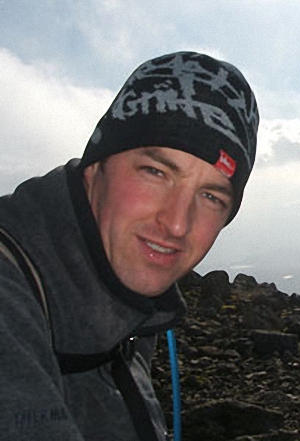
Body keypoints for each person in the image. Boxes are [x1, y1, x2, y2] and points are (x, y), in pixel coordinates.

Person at [0, 51, 259, 440]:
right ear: (95, 165)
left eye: (211, 196)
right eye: (155, 171)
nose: (176, 223)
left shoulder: (129, 301)